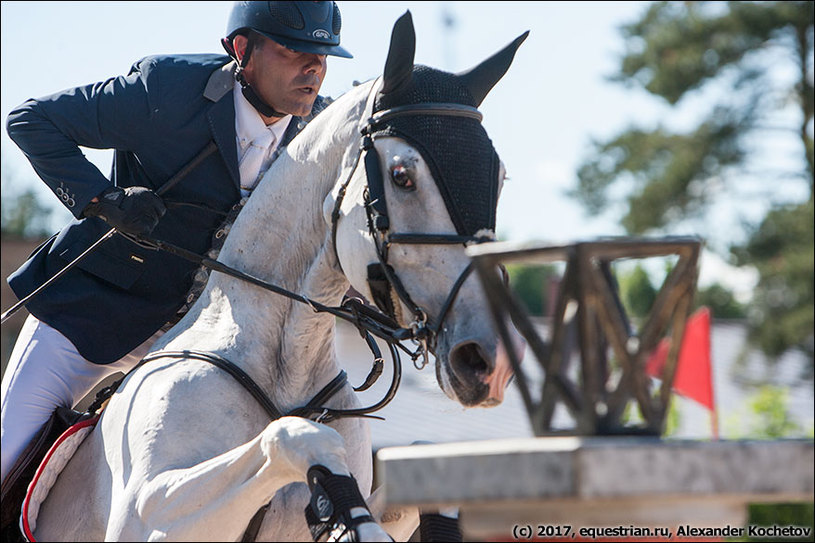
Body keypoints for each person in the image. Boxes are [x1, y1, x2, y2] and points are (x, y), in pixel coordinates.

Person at [1, 0, 352, 485]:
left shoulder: (320, 134)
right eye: (294, 51)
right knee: (4, 461)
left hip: (200, 345)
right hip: (93, 316)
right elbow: (32, 120)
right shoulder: (166, 88)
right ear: (242, 49)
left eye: (323, 54)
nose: (314, 67)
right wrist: (103, 199)